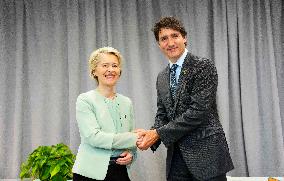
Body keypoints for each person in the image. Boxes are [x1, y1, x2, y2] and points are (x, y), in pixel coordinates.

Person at [136, 17, 234, 181]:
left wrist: (157, 133)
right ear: (159, 44)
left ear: (184, 38)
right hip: (176, 159)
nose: (170, 42)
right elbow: (162, 115)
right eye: (164, 38)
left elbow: (198, 112)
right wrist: (148, 136)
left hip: (207, 156)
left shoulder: (203, 66)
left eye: (175, 36)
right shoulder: (162, 77)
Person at [72, 47, 141, 181]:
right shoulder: (85, 100)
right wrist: (135, 138)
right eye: (105, 65)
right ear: (94, 71)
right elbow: (94, 137)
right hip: (89, 173)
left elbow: (131, 139)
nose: (110, 70)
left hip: (120, 172)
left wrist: (132, 154)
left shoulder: (127, 102)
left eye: (114, 65)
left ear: (119, 71)